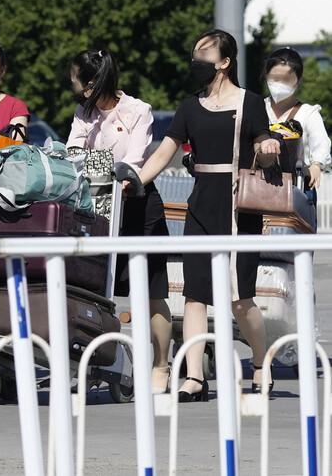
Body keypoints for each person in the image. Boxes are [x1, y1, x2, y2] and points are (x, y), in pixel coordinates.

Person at [135, 29, 281, 400]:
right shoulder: (188, 106)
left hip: (238, 207)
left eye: (204, 56)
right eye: (194, 56)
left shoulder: (250, 102)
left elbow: (263, 146)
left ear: (225, 62)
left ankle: (262, 363)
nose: (196, 63)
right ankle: (195, 377)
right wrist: (134, 180)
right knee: (195, 294)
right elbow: (164, 151)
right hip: (200, 204)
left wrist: (267, 147)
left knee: (239, 298)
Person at [66, 48, 172, 394]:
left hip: (139, 204)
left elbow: (136, 158)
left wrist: (124, 177)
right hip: (98, 206)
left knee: (151, 291)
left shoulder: (139, 110)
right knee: (98, 290)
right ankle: (101, 358)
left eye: (76, 78)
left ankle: (160, 364)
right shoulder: (83, 113)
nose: (73, 84)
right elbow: (73, 153)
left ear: (91, 82)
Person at [262, 47, 331, 208]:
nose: (279, 84)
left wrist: (317, 164)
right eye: (275, 78)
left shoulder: (308, 112)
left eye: (286, 80)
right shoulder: (257, 108)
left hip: (298, 186)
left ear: (298, 80)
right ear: (266, 76)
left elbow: (321, 142)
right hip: (260, 185)